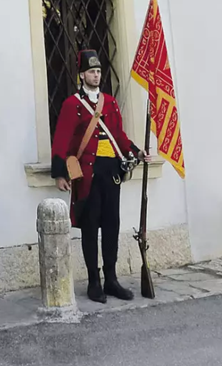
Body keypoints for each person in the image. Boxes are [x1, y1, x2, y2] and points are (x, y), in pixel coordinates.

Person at [51, 49, 150, 303]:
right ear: (82, 74)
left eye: (98, 72)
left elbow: (119, 137)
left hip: (111, 172)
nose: (96, 75)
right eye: (91, 71)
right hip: (87, 174)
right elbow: (61, 140)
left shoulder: (110, 102)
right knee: (90, 226)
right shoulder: (72, 104)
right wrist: (60, 174)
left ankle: (111, 279)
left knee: (111, 225)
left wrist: (137, 152)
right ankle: (94, 282)